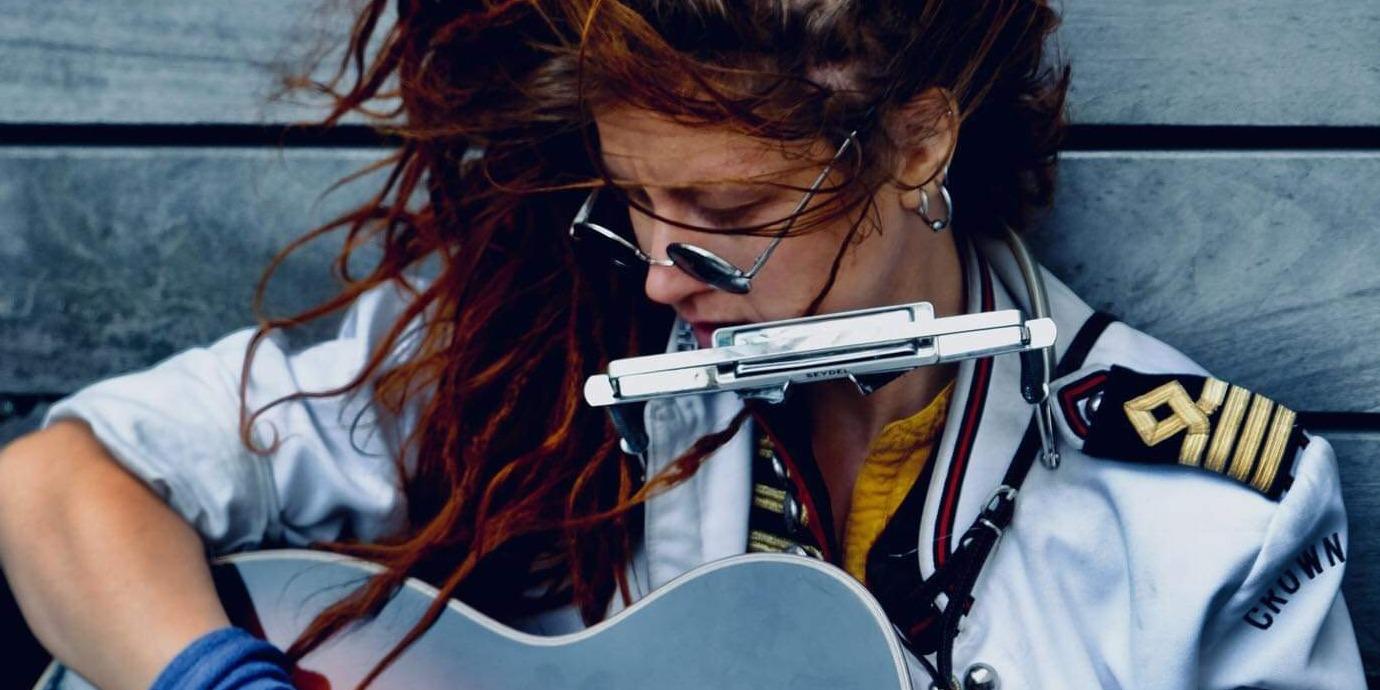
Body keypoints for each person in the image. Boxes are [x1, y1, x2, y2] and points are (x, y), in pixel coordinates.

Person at [0, 1, 1365, 689]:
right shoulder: (551, 351)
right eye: (635, 199)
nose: (659, 269)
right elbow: (54, 487)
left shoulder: (1207, 514)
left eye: (727, 216)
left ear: (916, 143)